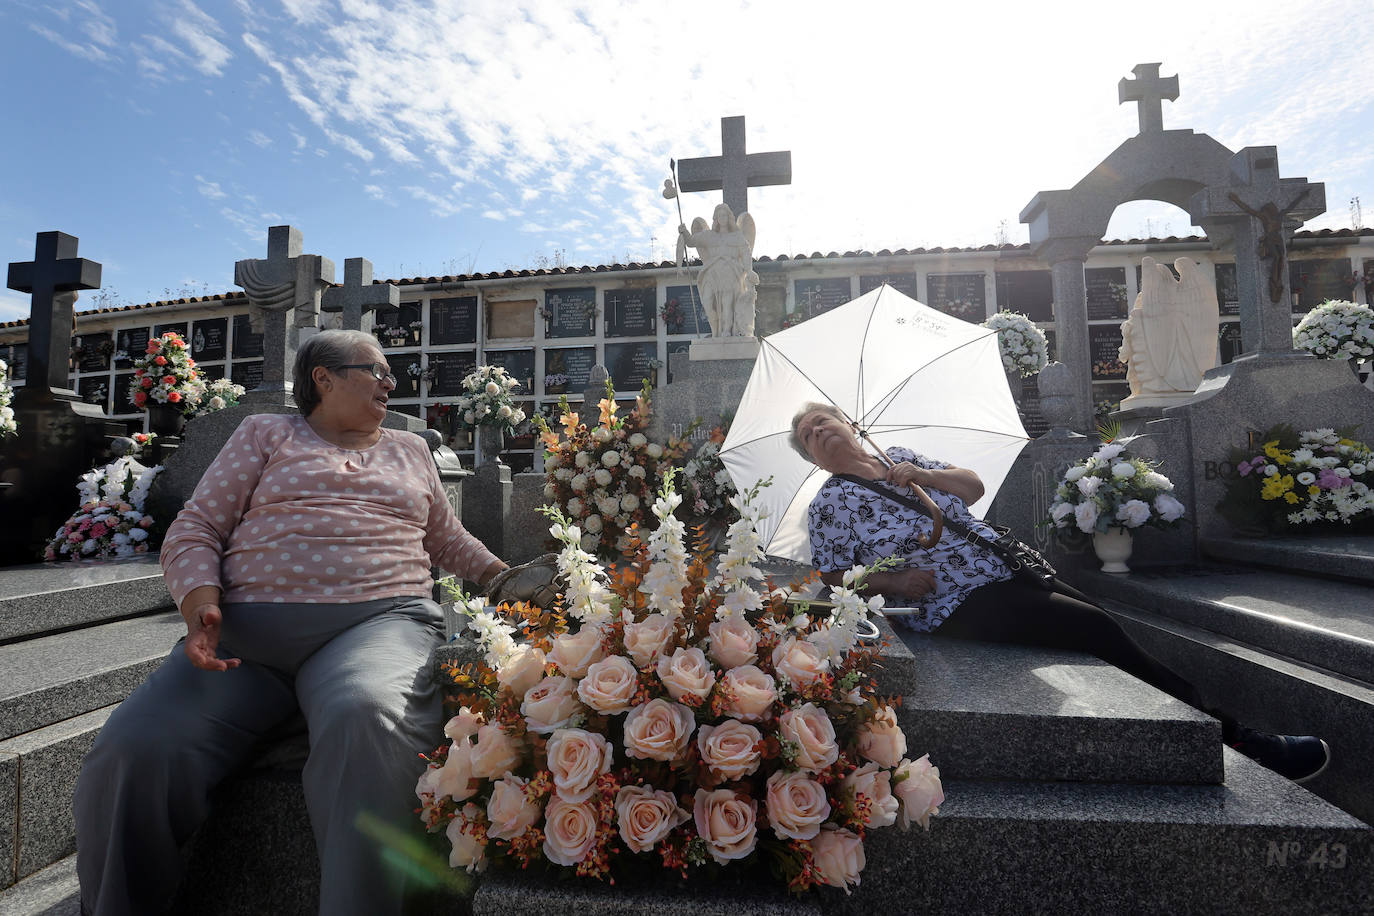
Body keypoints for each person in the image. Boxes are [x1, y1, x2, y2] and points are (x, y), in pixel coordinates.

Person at [74, 330, 513, 916]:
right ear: (323, 378)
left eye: (390, 373)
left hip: (378, 623)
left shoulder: (410, 450)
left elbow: (448, 540)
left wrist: (508, 581)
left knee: (369, 717)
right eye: (375, 370)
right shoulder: (266, 434)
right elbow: (196, 527)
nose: (390, 383)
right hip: (243, 637)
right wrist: (200, 605)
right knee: (135, 750)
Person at [790, 402, 1331, 784]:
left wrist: (924, 477)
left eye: (825, 420)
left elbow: (974, 487)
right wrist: (893, 582)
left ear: (850, 424)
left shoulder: (903, 455)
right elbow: (837, 578)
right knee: (1097, 630)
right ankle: (1244, 742)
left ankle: (1210, 729)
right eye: (810, 434)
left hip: (1007, 566)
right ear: (813, 457)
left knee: (1105, 625)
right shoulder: (829, 506)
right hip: (955, 598)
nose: (821, 430)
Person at [677, 203, 758, 337]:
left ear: (729, 217)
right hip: (712, 274)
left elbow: (746, 253)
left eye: (725, 215)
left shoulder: (737, 236)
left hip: (730, 273)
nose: (722, 218)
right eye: (720, 215)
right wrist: (684, 231)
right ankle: (715, 329)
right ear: (716, 218)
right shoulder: (708, 235)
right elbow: (691, 241)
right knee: (708, 303)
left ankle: (726, 330)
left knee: (727, 303)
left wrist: (749, 270)